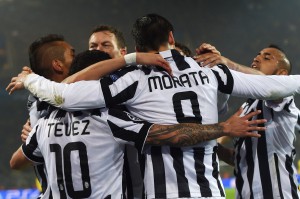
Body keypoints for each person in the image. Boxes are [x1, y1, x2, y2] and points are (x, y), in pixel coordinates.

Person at [6, 13, 300, 198]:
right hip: (209, 190)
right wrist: (227, 67)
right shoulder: (213, 72)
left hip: (157, 191)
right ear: (171, 37)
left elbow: (65, 96)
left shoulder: (131, 82)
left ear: (134, 48)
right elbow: (275, 85)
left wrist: (31, 81)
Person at [195, 43, 300, 198]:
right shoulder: (247, 106)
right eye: (257, 55)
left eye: (266, 58)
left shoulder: (283, 98)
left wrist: (228, 64)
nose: (257, 58)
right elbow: (240, 158)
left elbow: (268, 87)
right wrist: (210, 143)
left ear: (282, 74)